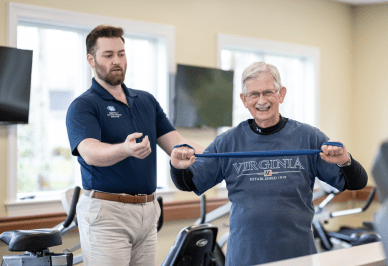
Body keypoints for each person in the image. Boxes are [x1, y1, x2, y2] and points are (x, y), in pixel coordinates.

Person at [170, 62, 368, 265]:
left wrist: (346, 161)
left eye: (268, 92)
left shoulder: (309, 138)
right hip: (244, 258)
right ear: (244, 100)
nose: (261, 100)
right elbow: (190, 183)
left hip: (298, 257)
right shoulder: (228, 142)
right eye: (254, 94)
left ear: (281, 94)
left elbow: (356, 183)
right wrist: (177, 167)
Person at [66, 25, 203, 266]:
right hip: (107, 213)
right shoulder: (84, 105)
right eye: (108, 55)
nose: (117, 61)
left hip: (147, 211)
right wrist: (125, 149)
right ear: (91, 59)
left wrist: (216, 152)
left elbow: (177, 144)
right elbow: (89, 152)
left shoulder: (146, 100)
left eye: (121, 53)